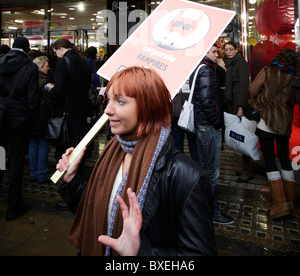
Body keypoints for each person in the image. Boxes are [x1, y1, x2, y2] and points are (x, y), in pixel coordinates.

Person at [56, 66, 217, 256]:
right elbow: (94, 212)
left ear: (148, 107)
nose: (107, 110)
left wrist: (141, 252)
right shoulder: (111, 152)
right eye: (108, 100)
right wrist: (72, 179)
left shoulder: (185, 176)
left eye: (121, 102)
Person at [249, 48, 298, 219]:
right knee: (285, 159)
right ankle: (290, 201)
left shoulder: (268, 71)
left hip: (266, 121)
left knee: (270, 160)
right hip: (284, 123)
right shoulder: (295, 78)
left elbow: (252, 91)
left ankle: (280, 204)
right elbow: (292, 102)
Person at [190, 44, 233, 225]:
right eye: (214, 51)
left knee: (204, 167)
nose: (218, 54)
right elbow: (208, 102)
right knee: (211, 171)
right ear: (205, 52)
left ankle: (202, 207)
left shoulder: (201, 68)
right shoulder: (206, 71)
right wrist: (218, 124)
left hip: (203, 125)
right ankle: (213, 211)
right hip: (209, 126)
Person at [0, 37, 40, 221]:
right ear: (27, 49)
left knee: (0, 160)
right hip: (19, 122)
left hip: (1, 120)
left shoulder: (1, 62)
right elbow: (32, 100)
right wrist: (35, 122)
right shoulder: (30, 67)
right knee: (16, 163)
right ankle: (13, 207)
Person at [49, 38, 92, 209]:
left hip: (66, 117)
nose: (56, 55)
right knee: (79, 154)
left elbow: (59, 91)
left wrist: (51, 90)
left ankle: (70, 197)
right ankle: (82, 191)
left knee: (65, 155)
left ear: (60, 49)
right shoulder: (83, 63)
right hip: (81, 116)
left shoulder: (63, 63)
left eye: (55, 51)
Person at [223, 41, 252, 182]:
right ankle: (245, 167)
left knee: (242, 136)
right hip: (232, 103)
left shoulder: (241, 63)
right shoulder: (229, 64)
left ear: (236, 49)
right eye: (226, 50)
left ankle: (248, 170)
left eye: (230, 49)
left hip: (239, 104)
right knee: (238, 135)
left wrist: (241, 106)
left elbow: (244, 86)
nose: (228, 52)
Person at [28, 56, 54, 183]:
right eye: (46, 66)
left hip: (31, 117)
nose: (48, 68)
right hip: (42, 118)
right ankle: (42, 174)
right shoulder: (44, 81)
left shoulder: (29, 78)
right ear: (40, 66)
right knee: (43, 145)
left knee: (32, 145)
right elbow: (49, 102)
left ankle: (33, 173)